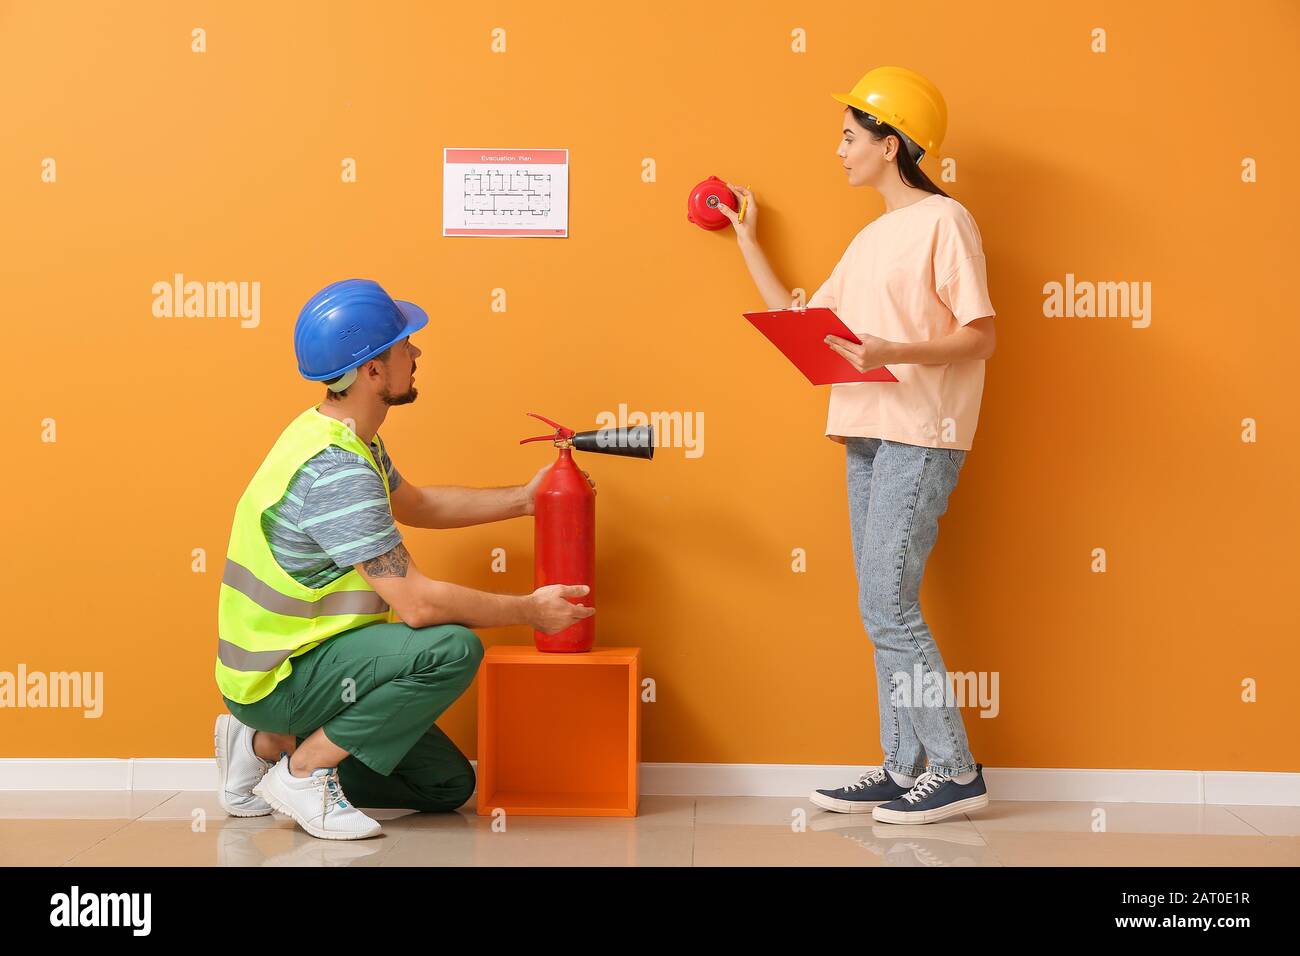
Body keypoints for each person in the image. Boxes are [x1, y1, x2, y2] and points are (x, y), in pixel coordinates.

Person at [212, 278, 594, 840]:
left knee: (444, 786)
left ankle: (264, 746)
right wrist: (530, 611)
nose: (415, 354)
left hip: (308, 661)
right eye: (403, 345)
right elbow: (416, 604)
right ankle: (302, 770)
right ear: (371, 370)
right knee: (451, 647)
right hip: (281, 677)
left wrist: (526, 500)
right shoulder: (336, 470)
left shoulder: (344, 436)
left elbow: (418, 504)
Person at [716, 67, 996, 825]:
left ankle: (955, 769)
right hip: (866, 430)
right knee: (881, 607)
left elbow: (980, 336)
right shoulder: (872, 236)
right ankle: (904, 768)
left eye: (849, 136)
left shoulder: (946, 221)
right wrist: (747, 238)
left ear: (892, 143)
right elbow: (801, 316)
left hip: (920, 432)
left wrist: (888, 353)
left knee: (888, 606)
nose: (838, 149)